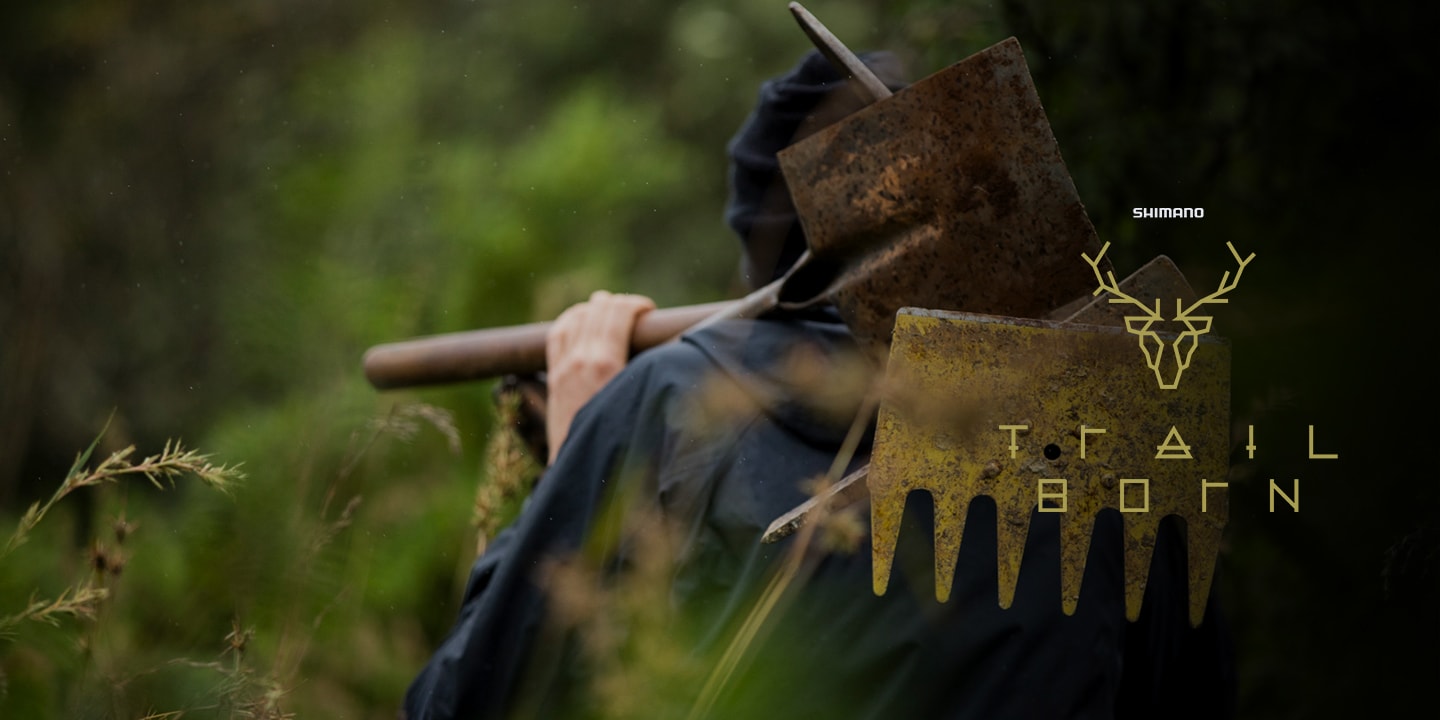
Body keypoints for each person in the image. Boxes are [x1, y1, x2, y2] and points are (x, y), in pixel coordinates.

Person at [404, 50, 1234, 720]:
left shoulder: (670, 402)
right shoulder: (1119, 438)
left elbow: (467, 702)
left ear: (764, 263)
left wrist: (581, 440)